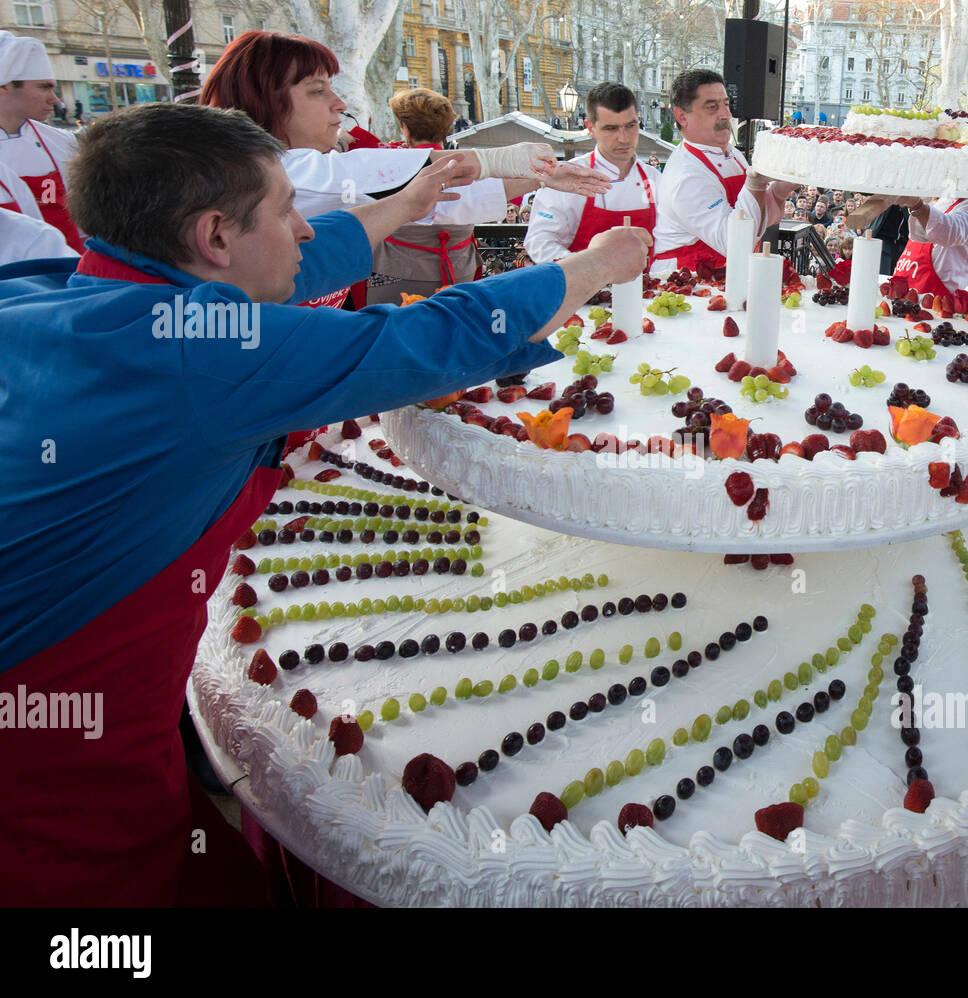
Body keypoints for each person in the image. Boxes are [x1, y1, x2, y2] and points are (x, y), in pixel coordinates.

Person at [0, 101, 652, 906]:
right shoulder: (196, 360)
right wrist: (590, 268)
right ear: (213, 236)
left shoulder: (55, 292)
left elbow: (277, 269)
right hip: (50, 770)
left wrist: (406, 205)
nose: (309, 230)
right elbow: (425, 341)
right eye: (288, 212)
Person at [200, 32, 609, 307]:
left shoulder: (310, 167)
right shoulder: (267, 174)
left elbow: (436, 200)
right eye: (317, 91)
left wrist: (539, 174)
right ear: (265, 100)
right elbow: (364, 176)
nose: (339, 104)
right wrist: (500, 159)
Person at [652, 69, 795, 273]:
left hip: (726, 273)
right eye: (712, 107)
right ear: (682, 116)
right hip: (686, 281)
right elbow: (733, 242)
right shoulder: (686, 175)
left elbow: (755, 223)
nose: (726, 115)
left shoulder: (731, 153)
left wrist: (778, 192)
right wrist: (756, 184)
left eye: (726, 104)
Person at [366, 88, 486, 301]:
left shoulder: (387, 167)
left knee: (393, 330)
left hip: (396, 274)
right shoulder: (470, 164)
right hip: (460, 272)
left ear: (405, 129)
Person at [525, 82, 660, 265]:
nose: (624, 138)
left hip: (648, 290)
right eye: (611, 128)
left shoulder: (656, 180)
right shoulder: (566, 177)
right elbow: (540, 242)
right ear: (590, 128)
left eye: (630, 125)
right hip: (585, 289)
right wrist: (590, 268)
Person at [0, 30, 84, 251]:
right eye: (43, 87)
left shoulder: (63, 143)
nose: (54, 99)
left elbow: (86, 222)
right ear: (4, 87)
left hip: (70, 270)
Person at [883, 193, 968, 295]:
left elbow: (950, 232)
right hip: (904, 285)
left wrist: (917, 205)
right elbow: (920, 233)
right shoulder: (949, 196)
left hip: (935, 299)